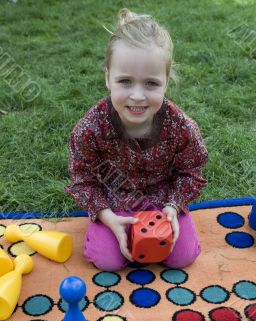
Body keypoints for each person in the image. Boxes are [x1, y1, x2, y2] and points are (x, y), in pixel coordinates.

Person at [65, 8, 208, 272]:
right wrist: (107, 218)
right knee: (107, 261)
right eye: (125, 81)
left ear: (166, 81)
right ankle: (102, 231)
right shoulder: (90, 129)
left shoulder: (181, 126)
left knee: (182, 258)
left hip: (163, 202)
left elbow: (191, 171)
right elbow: (83, 179)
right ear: (108, 76)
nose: (138, 96)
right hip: (113, 202)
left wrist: (173, 208)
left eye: (151, 84)